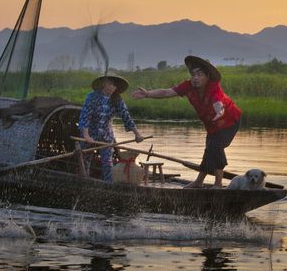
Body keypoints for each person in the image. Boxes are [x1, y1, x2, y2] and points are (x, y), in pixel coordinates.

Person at [132, 56, 241, 188]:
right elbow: (167, 92)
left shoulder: (213, 86)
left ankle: (217, 184)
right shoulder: (187, 86)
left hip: (229, 122)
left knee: (215, 148)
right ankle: (199, 182)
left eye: (199, 74)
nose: (195, 77)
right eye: (193, 74)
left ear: (207, 76)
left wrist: (219, 111)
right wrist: (148, 94)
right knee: (210, 150)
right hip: (212, 126)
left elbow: (217, 102)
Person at [78, 73, 144, 182]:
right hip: (90, 133)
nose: (112, 87)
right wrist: (86, 135)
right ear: (103, 84)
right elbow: (85, 116)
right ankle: (85, 182)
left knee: (107, 162)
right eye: (110, 84)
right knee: (85, 159)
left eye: (114, 85)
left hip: (106, 135)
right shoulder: (92, 97)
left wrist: (137, 134)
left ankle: (108, 185)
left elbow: (125, 116)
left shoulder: (116, 99)